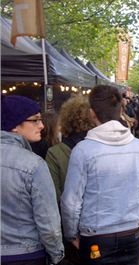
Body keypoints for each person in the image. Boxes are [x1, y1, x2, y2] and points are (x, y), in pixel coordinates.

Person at [60, 85, 139, 265]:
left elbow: (71, 201)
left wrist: (71, 234)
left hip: (96, 234)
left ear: (92, 113)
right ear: (121, 110)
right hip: (130, 232)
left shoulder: (83, 151)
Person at [1, 95, 64, 265]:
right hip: (27, 253)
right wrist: (56, 255)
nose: (42, 126)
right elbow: (49, 222)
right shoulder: (33, 164)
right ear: (14, 125)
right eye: (35, 120)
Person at [45, 95, 94, 265]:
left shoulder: (56, 153)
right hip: (102, 226)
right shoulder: (101, 149)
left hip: (71, 229)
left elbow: (54, 197)